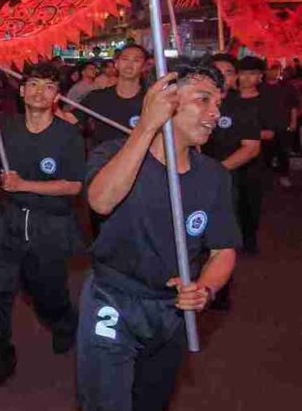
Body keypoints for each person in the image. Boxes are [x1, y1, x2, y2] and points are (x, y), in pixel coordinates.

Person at [79, 65, 239, 411]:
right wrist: (148, 125)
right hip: (113, 299)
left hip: (170, 310)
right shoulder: (112, 153)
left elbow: (222, 250)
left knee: (153, 402)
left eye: (219, 103)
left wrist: (205, 289)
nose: (216, 113)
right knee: (106, 403)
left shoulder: (214, 177)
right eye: (204, 100)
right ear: (165, 100)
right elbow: (101, 201)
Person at [0, 64, 84, 386]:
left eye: (48, 87)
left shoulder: (67, 135)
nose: (38, 92)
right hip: (8, 222)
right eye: (32, 84)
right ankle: (0, 357)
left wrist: (25, 185)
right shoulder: (6, 126)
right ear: (21, 90)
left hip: (50, 225)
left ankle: (63, 324)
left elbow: (74, 185)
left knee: (47, 296)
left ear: (57, 95)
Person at [203, 55, 262, 268]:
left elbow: (251, 147)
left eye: (228, 72)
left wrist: (215, 170)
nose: (221, 77)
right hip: (197, 174)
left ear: (234, 77)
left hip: (234, 174)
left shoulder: (242, 106)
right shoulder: (192, 103)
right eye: (216, 71)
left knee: (234, 219)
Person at [82, 45, 147, 237]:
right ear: (116, 64)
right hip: (103, 170)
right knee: (102, 228)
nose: (130, 64)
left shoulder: (151, 100)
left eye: (136, 60)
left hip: (141, 170)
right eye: (125, 59)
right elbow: (70, 120)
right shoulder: (97, 98)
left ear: (144, 66)